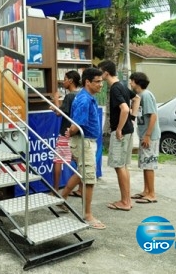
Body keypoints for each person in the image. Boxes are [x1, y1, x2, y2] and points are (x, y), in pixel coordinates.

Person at [60, 67, 106, 230]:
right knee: (89, 179)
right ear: (88, 82)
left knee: (81, 173)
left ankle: (62, 197)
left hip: (86, 141)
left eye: (102, 81)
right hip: (83, 141)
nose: (101, 84)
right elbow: (77, 124)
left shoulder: (88, 97)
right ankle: (87, 215)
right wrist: (70, 131)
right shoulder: (84, 99)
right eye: (98, 81)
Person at [98, 60, 141, 212]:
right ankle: (126, 200)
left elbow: (124, 109)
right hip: (128, 130)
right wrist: (133, 118)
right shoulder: (122, 85)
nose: (99, 76)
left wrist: (119, 128)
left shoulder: (116, 88)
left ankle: (125, 201)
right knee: (123, 166)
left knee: (118, 165)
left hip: (122, 132)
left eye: (100, 72)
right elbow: (136, 98)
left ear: (106, 73)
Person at [129, 72, 160, 204]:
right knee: (144, 163)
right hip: (143, 135)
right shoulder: (139, 96)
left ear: (136, 82)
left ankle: (152, 193)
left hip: (150, 136)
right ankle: (146, 191)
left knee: (149, 164)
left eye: (131, 81)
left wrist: (147, 135)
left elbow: (153, 115)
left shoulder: (146, 95)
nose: (130, 83)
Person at [50, 70, 82, 196]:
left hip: (66, 132)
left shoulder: (69, 96)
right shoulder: (80, 94)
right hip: (76, 133)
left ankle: (55, 190)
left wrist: (56, 100)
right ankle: (80, 189)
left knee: (58, 161)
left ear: (71, 81)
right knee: (80, 162)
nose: (63, 82)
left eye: (65, 79)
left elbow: (60, 113)